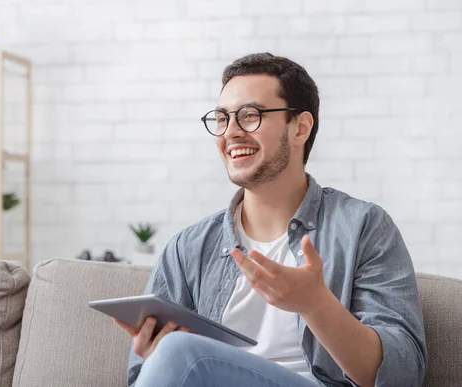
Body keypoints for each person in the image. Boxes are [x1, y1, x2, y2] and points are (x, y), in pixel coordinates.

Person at [113, 52, 427, 387]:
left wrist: (317, 305)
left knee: (180, 352)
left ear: (300, 127)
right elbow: (141, 376)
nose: (231, 133)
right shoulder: (188, 248)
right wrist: (154, 355)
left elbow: (402, 375)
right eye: (222, 118)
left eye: (250, 115)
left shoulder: (362, 227)